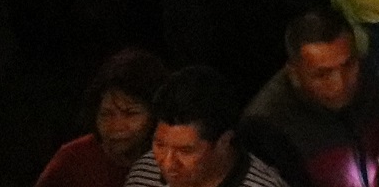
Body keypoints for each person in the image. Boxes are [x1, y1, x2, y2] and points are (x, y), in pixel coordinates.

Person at [237, 9, 379, 187]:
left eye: (348, 65)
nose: (340, 84)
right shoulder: (265, 126)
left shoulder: (369, 79)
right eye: (322, 74)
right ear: (294, 73)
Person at [126, 66, 295, 187]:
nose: (167, 163)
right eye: (160, 145)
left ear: (224, 141)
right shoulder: (143, 174)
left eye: (185, 151)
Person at [36, 48, 168, 187]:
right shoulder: (73, 160)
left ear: (155, 114)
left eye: (130, 114)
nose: (116, 126)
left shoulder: (175, 161)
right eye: (106, 114)